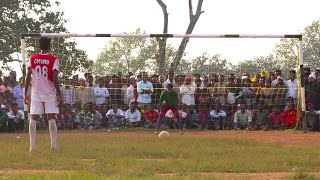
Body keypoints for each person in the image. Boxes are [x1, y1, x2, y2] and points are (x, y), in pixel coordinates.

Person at [24, 37, 61, 152]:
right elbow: (55, 77)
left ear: (39, 46)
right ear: (50, 46)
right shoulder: (54, 59)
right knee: (51, 117)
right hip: (49, 92)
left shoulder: (33, 58)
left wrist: (25, 93)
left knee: (33, 117)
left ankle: (32, 147)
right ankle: (53, 147)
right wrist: (59, 93)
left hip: (36, 92)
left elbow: (27, 76)